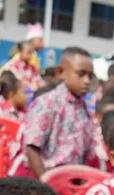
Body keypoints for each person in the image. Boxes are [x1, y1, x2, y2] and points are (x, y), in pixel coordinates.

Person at [13, 47, 97, 177]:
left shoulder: (85, 109)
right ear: (61, 72)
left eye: (90, 76)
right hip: (45, 179)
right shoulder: (48, 103)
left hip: (71, 183)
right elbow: (31, 149)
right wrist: (45, 184)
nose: (87, 81)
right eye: (81, 74)